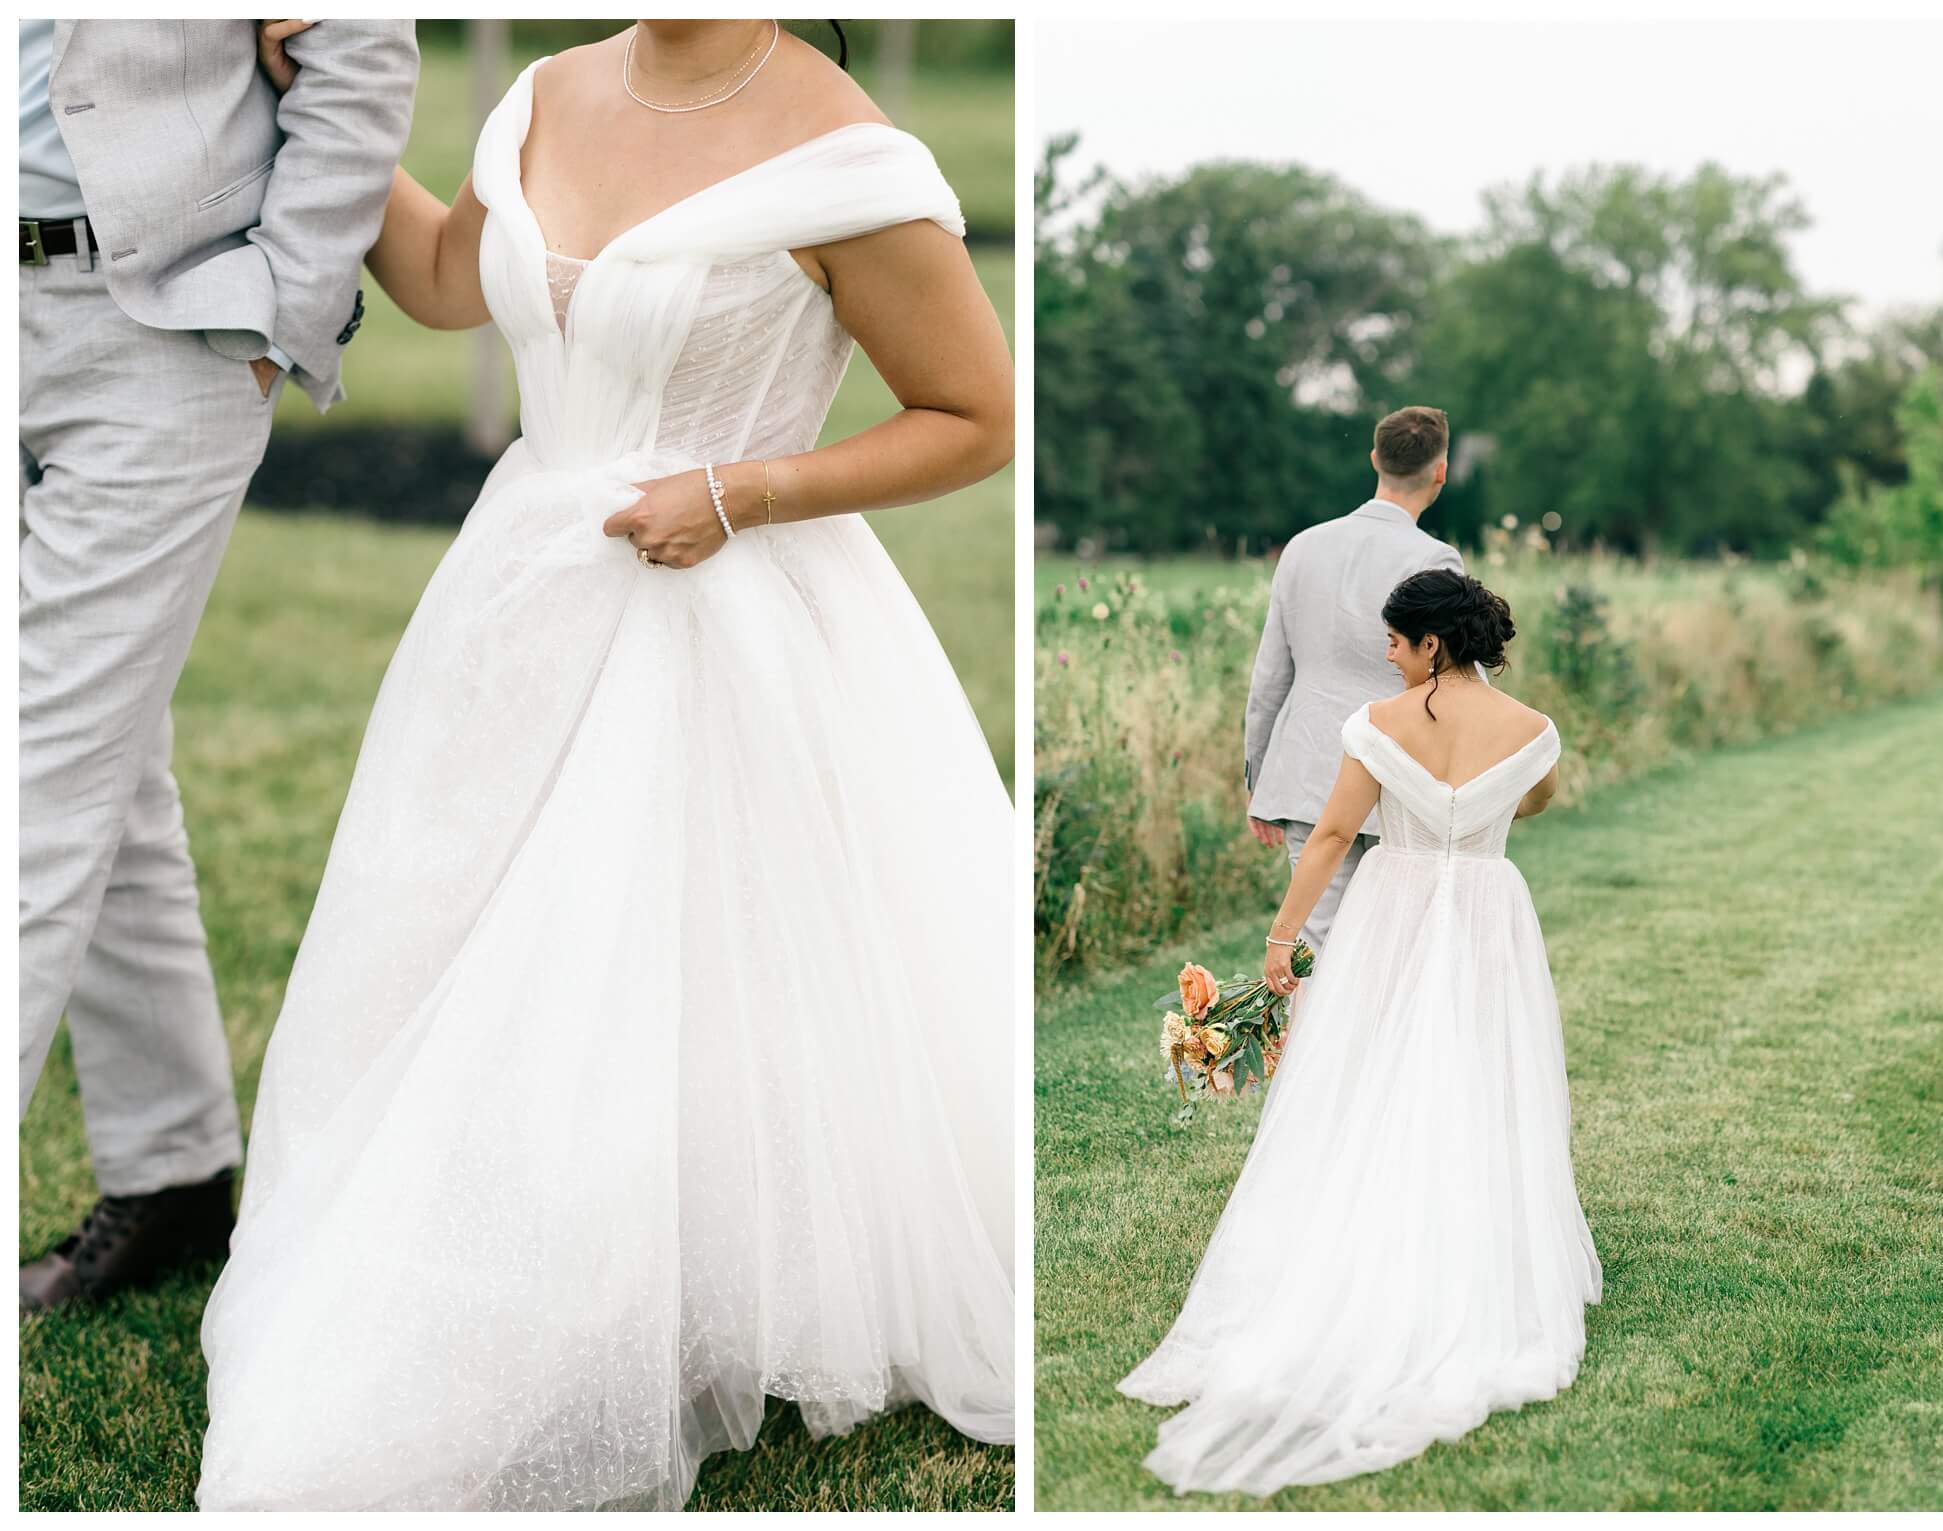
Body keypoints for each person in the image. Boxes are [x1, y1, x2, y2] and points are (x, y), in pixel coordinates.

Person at [194, 19, 1015, 1510]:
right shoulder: (548, 87)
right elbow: (453, 279)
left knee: (666, 957)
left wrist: (742, 485)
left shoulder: (848, 157)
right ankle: (494, 1247)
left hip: (727, 603)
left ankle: (672, 1281)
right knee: (464, 937)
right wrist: (327, 103)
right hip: (516, 596)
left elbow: (975, 416)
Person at [17, 18, 418, 1312]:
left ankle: (179, 1167)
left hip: (158, 331)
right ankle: (179, 1168)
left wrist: (283, 309)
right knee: (102, 766)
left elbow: (359, 55)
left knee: (33, 779)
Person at [1122, 568, 1602, 1496]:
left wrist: (1280, 937)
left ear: (1432, 644)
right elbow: (1534, 801)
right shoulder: (1532, 728)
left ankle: (1380, 1236)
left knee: (1375, 1072)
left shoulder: (1380, 727)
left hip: (1397, 904)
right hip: (1489, 907)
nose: (1385, 652)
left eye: (1394, 638)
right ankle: (1470, 1242)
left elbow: (1336, 835)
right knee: (1479, 1072)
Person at [1242, 405, 1471, 959]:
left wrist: (1258, 778)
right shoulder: (1436, 560)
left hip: (1309, 774)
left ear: (1374, 458)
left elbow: (1271, 674)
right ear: (1440, 471)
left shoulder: (1303, 546)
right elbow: (1461, 682)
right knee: (1394, 950)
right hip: (1403, 775)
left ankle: (1310, 1046)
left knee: (1313, 946)